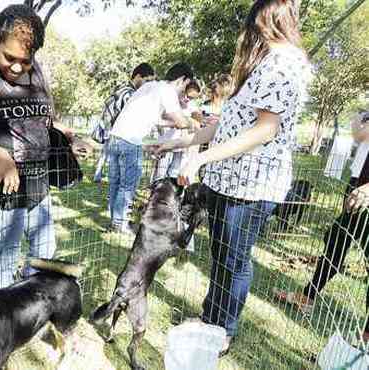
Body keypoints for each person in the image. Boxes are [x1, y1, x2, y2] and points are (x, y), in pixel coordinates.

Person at [152, 0, 312, 355]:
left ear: (268, 23)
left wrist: (201, 159)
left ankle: (224, 328)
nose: (249, 35)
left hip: (252, 184)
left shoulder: (283, 64)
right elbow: (228, 126)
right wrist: (181, 142)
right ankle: (212, 317)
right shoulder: (264, 64)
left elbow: (265, 130)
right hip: (229, 180)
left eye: (254, 27)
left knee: (235, 259)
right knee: (223, 255)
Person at [0, 4, 85, 289]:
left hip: (40, 183)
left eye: (27, 59)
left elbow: (43, 122)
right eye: (10, 57)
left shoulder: (38, 74)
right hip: (5, 187)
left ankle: (34, 310)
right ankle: (6, 321)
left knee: (44, 256)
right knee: (8, 259)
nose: (18, 66)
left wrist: (71, 137)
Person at [274, 109, 369, 344]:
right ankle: (307, 297)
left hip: (366, 192)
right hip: (359, 186)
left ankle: (367, 335)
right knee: (336, 241)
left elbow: (359, 133)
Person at [107, 63, 198, 234]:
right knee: (127, 186)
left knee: (116, 183)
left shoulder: (151, 86)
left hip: (115, 137)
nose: (184, 90)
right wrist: (192, 123)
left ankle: (115, 220)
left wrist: (178, 123)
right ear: (182, 79)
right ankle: (120, 224)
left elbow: (158, 119)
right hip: (131, 141)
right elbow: (179, 121)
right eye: (186, 85)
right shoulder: (169, 91)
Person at [93, 62, 156, 184]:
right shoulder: (130, 93)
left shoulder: (122, 88)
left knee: (107, 153)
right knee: (114, 161)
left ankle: (99, 174)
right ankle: (102, 176)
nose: (148, 86)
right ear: (138, 77)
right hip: (116, 131)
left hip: (110, 128)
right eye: (147, 81)